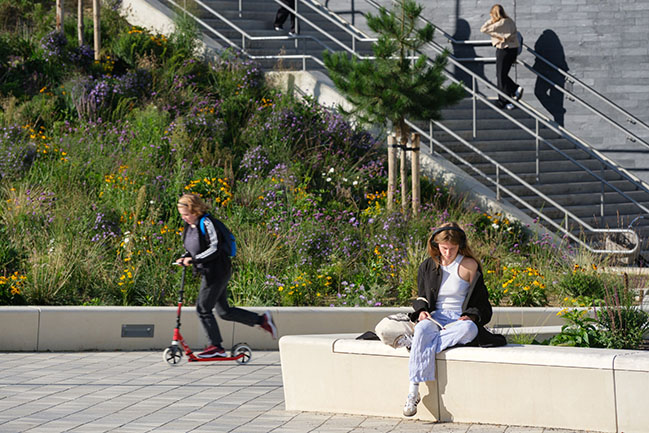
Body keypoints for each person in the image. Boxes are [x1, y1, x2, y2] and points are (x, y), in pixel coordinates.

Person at [375, 222, 505, 417]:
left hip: (457, 320)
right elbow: (421, 298)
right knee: (421, 329)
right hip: (435, 317)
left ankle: (417, 346)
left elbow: (481, 301)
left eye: (453, 248)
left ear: (459, 245)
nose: (448, 252)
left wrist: (471, 315)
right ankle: (413, 391)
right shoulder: (428, 266)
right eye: (444, 248)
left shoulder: (469, 265)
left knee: (470, 329)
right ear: (436, 245)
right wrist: (421, 312)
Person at [176, 193, 277, 358]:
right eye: (182, 215)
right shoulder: (189, 226)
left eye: (187, 214)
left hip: (217, 270)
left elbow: (214, 247)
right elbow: (193, 247)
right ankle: (262, 320)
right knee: (224, 312)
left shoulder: (207, 223)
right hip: (208, 271)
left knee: (203, 308)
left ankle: (216, 347)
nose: (184, 218)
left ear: (195, 210)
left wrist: (193, 259)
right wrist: (184, 257)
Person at [480, 4, 523, 110]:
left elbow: (483, 29)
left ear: (494, 14)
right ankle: (513, 90)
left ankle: (504, 100)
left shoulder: (499, 23)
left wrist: (491, 20)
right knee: (502, 75)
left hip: (503, 50)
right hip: (513, 50)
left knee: (500, 75)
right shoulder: (510, 21)